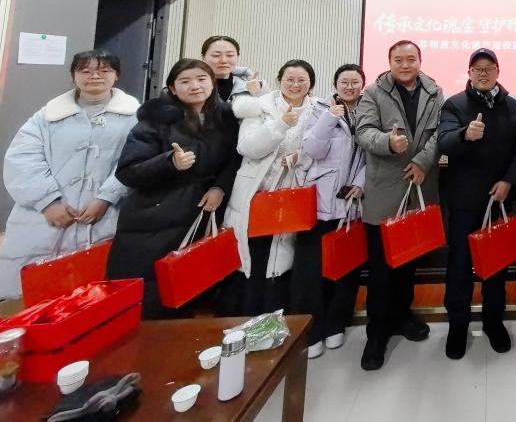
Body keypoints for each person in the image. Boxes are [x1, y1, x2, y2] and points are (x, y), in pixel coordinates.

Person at [0, 50, 140, 300]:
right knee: (31, 295)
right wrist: (47, 202)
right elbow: (22, 159)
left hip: (105, 215)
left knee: (94, 295)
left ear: (117, 75)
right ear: (73, 75)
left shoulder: (136, 118)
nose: (95, 76)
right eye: (85, 71)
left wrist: (105, 198)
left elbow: (136, 162)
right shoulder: (47, 116)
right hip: (44, 218)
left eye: (104, 70)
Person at [106, 59, 240, 318]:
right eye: (185, 81)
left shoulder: (226, 118)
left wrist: (220, 188)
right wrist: (170, 163)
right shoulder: (155, 120)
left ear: (213, 83)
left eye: (201, 79)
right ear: (173, 88)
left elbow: (234, 159)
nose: (195, 86)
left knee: (192, 289)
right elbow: (128, 171)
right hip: (156, 216)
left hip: (201, 213)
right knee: (153, 294)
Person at [355, 40, 443, 371]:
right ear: (389, 61)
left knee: (409, 263)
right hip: (385, 190)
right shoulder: (373, 93)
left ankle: (402, 316)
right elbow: (363, 131)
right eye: (399, 59)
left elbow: (440, 133)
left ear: (420, 61)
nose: (405, 65)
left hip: (419, 186)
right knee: (381, 269)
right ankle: (376, 334)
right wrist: (387, 143)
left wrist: (422, 161)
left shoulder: (435, 92)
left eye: (411, 59)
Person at [437, 49, 516, 359]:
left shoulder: (512, 106)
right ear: (469, 73)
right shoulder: (455, 104)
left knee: (496, 266)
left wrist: (509, 181)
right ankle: (457, 326)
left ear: (498, 71)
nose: (483, 73)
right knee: (459, 266)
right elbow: (443, 142)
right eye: (477, 69)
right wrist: (465, 135)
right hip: (463, 200)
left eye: (489, 68)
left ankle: (493, 322)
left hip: (498, 198)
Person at [220, 60, 317, 317]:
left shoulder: (317, 110)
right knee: (253, 258)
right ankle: (247, 321)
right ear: (279, 80)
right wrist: (281, 124)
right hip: (256, 193)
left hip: (292, 195)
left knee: (281, 262)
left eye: (302, 80)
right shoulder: (259, 107)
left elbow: (320, 150)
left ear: (311, 84)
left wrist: (299, 157)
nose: (295, 85)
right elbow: (248, 147)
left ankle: (274, 323)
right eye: (289, 79)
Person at [290, 64, 367, 359]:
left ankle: (336, 324)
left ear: (362, 85)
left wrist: (360, 183)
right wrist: (329, 118)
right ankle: (312, 330)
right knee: (310, 270)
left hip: (350, 202)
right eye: (344, 82)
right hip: (320, 200)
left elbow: (370, 157)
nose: (349, 86)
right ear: (335, 85)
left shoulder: (368, 111)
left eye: (355, 82)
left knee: (345, 267)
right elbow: (312, 150)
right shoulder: (320, 109)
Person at [200, 35, 264, 103]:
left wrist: (258, 93)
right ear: (203, 57)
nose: (223, 60)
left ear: (237, 56)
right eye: (216, 55)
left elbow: (267, 108)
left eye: (230, 55)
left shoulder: (247, 86)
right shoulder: (194, 85)